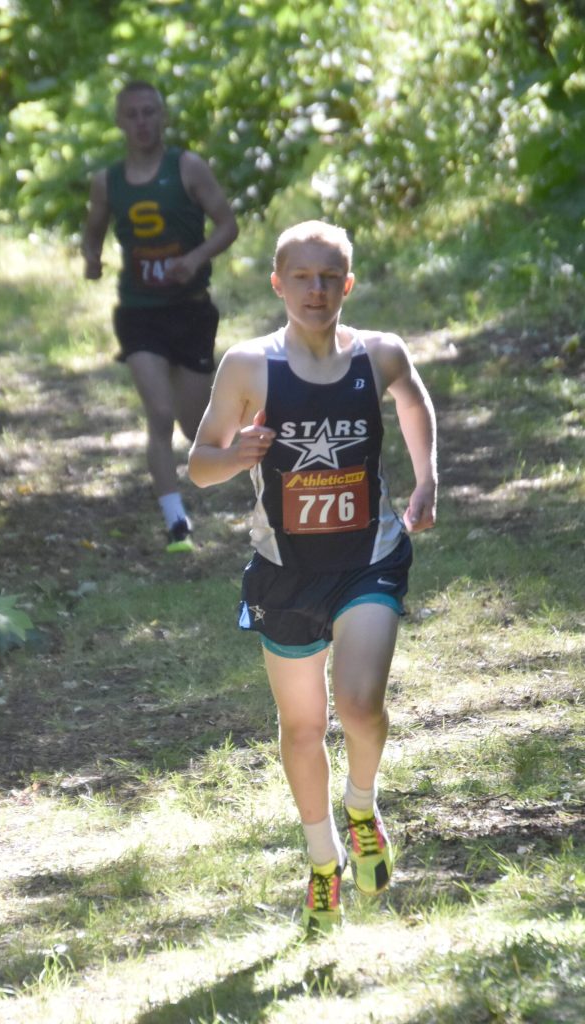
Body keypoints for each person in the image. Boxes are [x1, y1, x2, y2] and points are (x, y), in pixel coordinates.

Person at [188, 220, 437, 932]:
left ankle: (362, 805)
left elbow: (414, 400)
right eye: (302, 276)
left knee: (358, 707)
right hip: (284, 575)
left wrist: (428, 482)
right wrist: (238, 454)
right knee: (302, 729)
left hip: (368, 559)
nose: (317, 290)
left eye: (330, 277)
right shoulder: (249, 366)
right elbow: (200, 466)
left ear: (348, 285)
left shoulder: (378, 354)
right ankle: (323, 859)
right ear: (278, 284)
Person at [82, 80, 238, 552]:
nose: (142, 122)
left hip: (189, 311)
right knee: (160, 414)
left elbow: (228, 223)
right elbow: (92, 230)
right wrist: (91, 259)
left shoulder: (187, 168)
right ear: (119, 121)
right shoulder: (107, 181)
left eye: (150, 112)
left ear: (163, 116)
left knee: (196, 429)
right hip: (139, 314)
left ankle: (255, 450)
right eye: (132, 114)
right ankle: (176, 524)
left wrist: (195, 258)